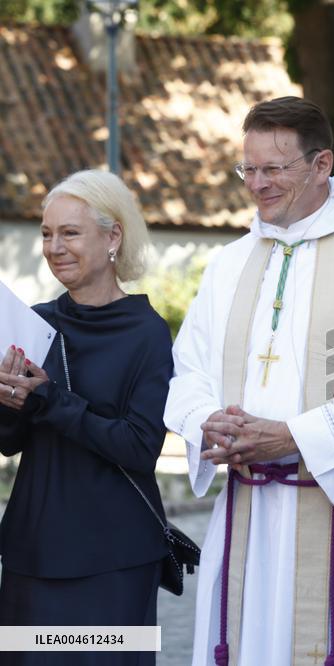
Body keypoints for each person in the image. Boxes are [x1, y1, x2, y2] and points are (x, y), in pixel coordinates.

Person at [163, 96, 334, 666]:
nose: (257, 184)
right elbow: (189, 370)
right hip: (242, 511)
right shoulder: (228, 262)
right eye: (248, 169)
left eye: (273, 169)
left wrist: (291, 437)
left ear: (321, 164)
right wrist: (208, 420)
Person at [0, 169, 172, 666]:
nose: (55, 247)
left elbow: (140, 447)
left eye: (70, 232)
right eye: (47, 234)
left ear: (113, 235)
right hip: (33, 553)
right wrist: (9, 402)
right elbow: (10, 440)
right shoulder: (33, 323)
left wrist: (51, 401)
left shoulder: (148, 334)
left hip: (114, 561)